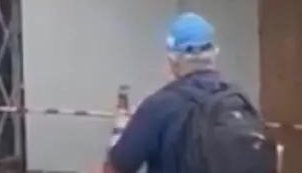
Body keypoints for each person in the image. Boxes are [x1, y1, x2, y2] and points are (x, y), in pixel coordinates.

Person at [105, 12, 276, 173]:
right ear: (214, 54)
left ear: (172, 59)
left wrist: (121, 129)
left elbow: (115, 169)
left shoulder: (158, 107)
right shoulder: (239, 99)